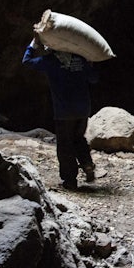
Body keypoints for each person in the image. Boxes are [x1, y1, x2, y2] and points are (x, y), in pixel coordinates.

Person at [22, 36, 98, 189]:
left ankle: (70, 181)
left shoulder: (50, 61)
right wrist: (90, 63)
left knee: (65, 145)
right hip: (83, 109)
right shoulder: (80, 60)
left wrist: (33, 44)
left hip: (64, 111)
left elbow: (26, 61)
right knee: (78, 138)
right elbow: (94, 79)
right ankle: (87, 164)